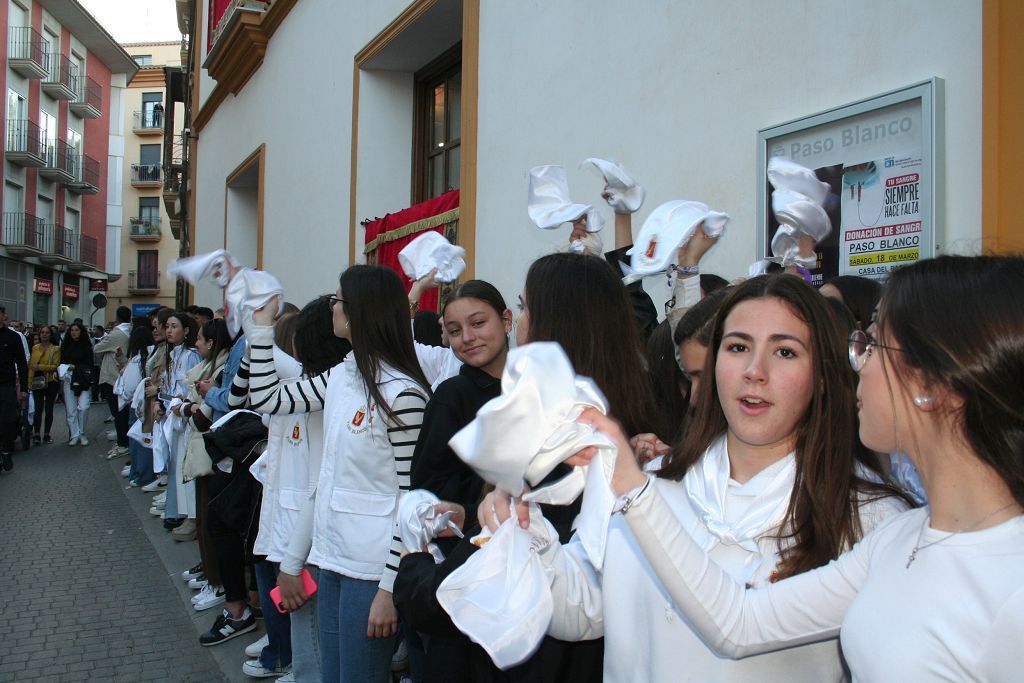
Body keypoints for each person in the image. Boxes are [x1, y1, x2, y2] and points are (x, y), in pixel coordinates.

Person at [559, 256, 1024, 681]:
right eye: (737, 347)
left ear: (934, 384)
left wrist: (634, 487)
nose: (857, 363)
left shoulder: (998, 579)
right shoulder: (902, 538)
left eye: (874, 345)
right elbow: (739, 624)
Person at [481, 273, 908, 681]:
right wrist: (524, 530)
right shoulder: (658, 479)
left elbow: (742, 626)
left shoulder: (869, 518)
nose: (754, 371)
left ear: (821, 375)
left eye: (785, 352)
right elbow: (583, 607)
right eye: (738, 347)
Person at [246, 265, 433, 683]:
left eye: (338, 299)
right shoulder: (343, 376)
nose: (331, 306)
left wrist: (388, 590)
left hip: (371, 574)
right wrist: (260, 329)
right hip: (330, 564)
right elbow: (267, 399)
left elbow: (412, 502)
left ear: (359, 311)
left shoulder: (402, 394)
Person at [411, 280, 513, 511]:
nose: (467, 337)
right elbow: (426, 490)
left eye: (478, 323)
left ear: (506, 321)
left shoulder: (531, 386)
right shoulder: (452, 395)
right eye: (455, 331)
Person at [95, 306, 132, 458]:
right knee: (121, 412)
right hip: (121, 373)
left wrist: (108, 349)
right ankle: (123, 441)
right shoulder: (129, 330)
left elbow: (97, 348)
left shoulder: (117, 333)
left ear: (117, 318)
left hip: (113, 376)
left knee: (118, 413)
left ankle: (123, 444)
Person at [0, 306, 29, 470]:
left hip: (6, 385)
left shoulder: (13, 337)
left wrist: (24, 388)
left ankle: (6, 450)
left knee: (8, 419)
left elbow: (22, 364)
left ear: (4, 316)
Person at [60, 322, 96, 447]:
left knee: (84, 406)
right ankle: (75, 435)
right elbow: (61, 362)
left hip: (83, 380)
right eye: (72, 330)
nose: (74, 332)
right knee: (71, 410)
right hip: (69, 379)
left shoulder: (86, 347)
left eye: (77, 330)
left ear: (81, 332)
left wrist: (76, 367)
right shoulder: (65, 346)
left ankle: (82, 432)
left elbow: (90, 364)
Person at [28, 325, 60, 444]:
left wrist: (40, 367)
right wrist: (29, 381)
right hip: (37, 381)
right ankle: (36, 434)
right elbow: (31, 366)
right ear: (39, 334)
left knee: (49, 408)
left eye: (47, 333)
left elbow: (55, 366)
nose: (44, 335)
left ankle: (46, 434)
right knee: (38, 408)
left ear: (50, 335)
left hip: (51, 381)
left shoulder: (55, 349)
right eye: (42, 333)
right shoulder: (35, 348)